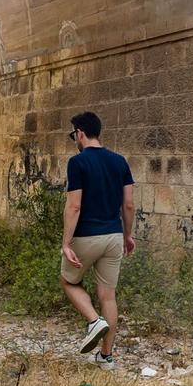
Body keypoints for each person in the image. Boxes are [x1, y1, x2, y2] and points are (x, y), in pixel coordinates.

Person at [59, 111, 134, 363]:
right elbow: (129, 205)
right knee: (108, 296)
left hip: (87, 236)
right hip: (113, 236)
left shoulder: (77, 162)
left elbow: (74, 206)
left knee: (69, 282)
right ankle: (106, 356)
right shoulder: (120, 161)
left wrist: (66, 242)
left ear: (80, 132)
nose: (75, 140)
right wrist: (128, 235)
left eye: (74, 135)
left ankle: (93, 321)